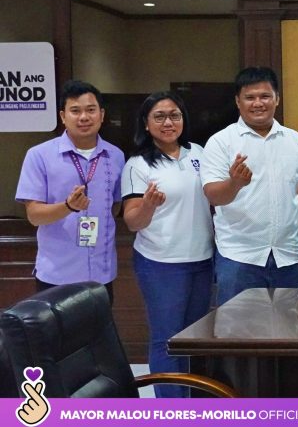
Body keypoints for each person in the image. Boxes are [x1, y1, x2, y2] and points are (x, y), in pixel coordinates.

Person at [121, 91, 214, 398]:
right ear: (146, 124)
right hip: (161, 264)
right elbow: (133, 221)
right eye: (159, 117)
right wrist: (148, 204)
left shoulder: (198, 153)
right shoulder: (138, 164)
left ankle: (195, 406)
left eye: (175, 115)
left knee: (195, 340)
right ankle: (171, 411)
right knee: (168, 340)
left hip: (202, 260)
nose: (168, 122)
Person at [200, 67, 298, 305]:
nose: (258, 103)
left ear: (277, 99)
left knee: (291, 332)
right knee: (238, 336)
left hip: (288, 256)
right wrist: (235, 183)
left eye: (265, 96)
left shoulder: (295, 141)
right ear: (238, 102)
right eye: (250, 97)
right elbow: (213, 196)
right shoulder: (221, 142)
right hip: (239, 258)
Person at [15, 80, 124, 303]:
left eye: (91, 110)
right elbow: (34, 215)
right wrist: (68, 207)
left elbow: (115, 206)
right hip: (57, 275)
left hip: (101, 274)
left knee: (97, 337)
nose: (84, 117)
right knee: (56, 338)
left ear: (102, 115)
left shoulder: (116, 156)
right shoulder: (39, 155)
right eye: (75, 111)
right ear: (63, 116)